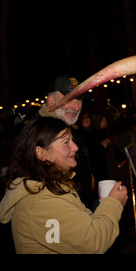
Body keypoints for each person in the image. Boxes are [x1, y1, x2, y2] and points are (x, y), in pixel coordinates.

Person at [0, 117, 128, 254]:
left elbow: (82, 226)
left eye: (72, 140)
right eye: (66, 142)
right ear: (42, 153)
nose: (75, 147)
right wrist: (113, 203)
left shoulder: (53, 185)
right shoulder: (42, 201)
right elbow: (93, 242)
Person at [39, 75, 98, 209]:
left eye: (79, 100)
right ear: (51, 100)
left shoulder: (72, 130)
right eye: (69, 99)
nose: (76, 107)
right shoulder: (37, 135)